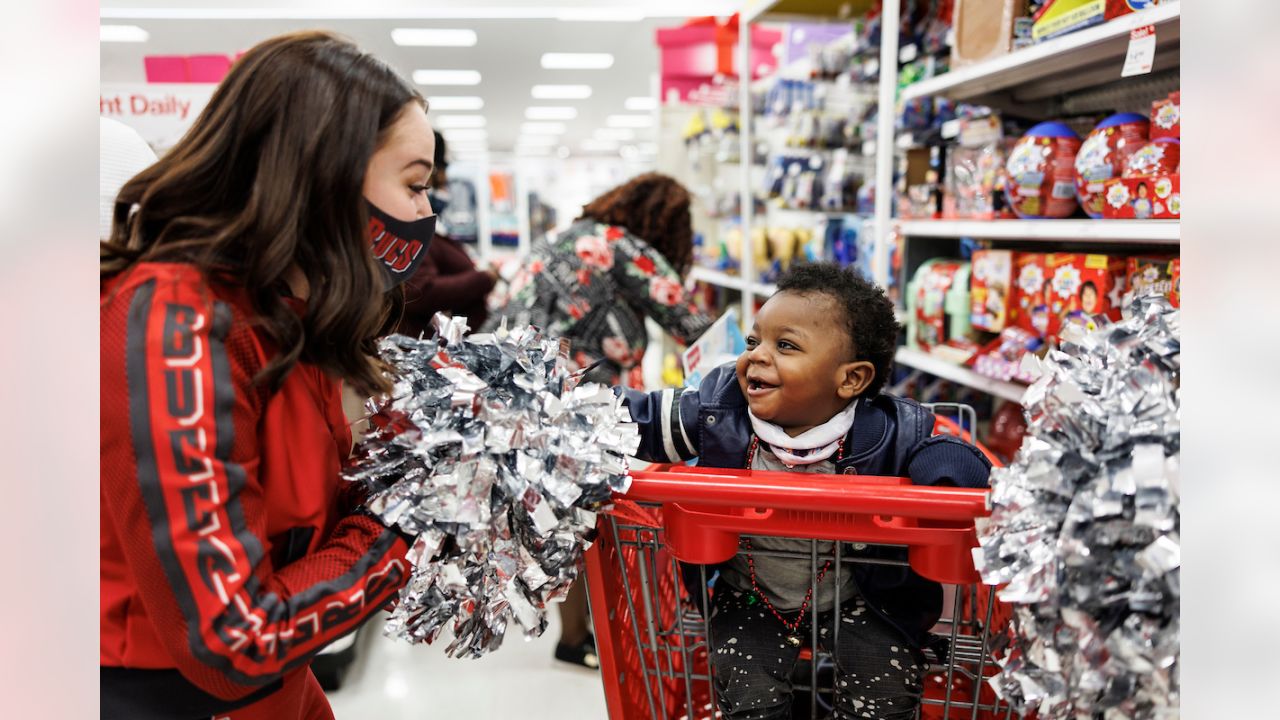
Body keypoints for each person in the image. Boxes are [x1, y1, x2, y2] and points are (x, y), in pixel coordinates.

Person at [100, 31, 436, 719]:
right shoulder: (178, 326)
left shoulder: (284, 317)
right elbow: (233, 642)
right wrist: (404, 524)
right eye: (414, 184)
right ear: (328, 174)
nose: (426, 214)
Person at [618, 262, 992, 719]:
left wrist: (945, 478)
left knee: (888, 677)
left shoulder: (891, 430)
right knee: (743, 676)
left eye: (786, 346)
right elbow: (645, 417)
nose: (756, 355)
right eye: (754, 341)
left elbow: (947, 455)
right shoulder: (719, 413)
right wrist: (575, 413)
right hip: (751, 592)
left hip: (862, 596)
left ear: (851, 380)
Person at [483, 172, 712, 390]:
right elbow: (691, 325)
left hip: (497, 373)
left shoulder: (563, 236)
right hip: (566, 399)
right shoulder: (620, 246)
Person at [397, 129, 500, 337]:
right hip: (426, 350)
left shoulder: (430, 229)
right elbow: (421, 291)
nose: (445, 182)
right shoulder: (415, 232)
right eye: (417, 186)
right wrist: (484, 278)